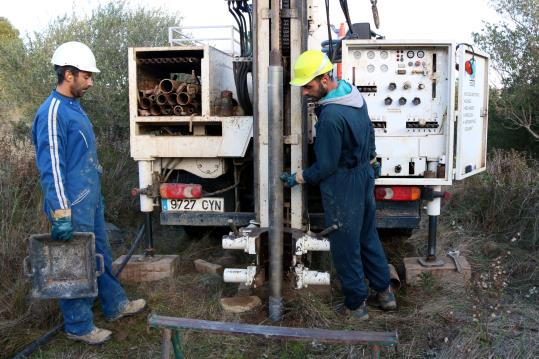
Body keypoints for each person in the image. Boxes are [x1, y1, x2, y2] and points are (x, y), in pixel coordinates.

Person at [32, 41, 146, 344]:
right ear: (68, 75)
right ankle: (79, 325)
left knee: (100, 254)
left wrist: (97, 196)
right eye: (86, 76)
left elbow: (84, 158)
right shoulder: (53, 112)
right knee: (73, 264)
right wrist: (60, 213)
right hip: (69, 204)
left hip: (88, 199)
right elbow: (52, 167)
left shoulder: (74, 108)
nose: (91, 82)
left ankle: (114, 304)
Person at [282, 50, 396, 321]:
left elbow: (326, 166)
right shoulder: (353, 95)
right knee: (367, 235)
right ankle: (384, 292)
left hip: (343, 183)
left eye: (308, 86)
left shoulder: (331, 117)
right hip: (364, 174)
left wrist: (298, 178)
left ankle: (356, 306)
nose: (305, 93)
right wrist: (371, 158)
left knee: (345, 244)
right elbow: (369, 131)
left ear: (324, 79)